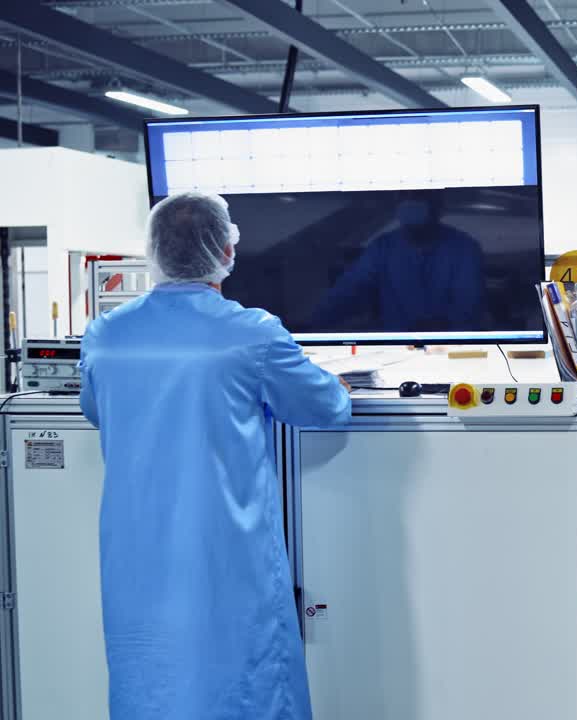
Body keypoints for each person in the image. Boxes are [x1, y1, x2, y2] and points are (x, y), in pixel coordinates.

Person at [79, 191, 352, 719]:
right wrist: (338, 381)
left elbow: (97, 411)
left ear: (153, 251)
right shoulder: (250, 334)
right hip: (226, 552)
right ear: (226, 252)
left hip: (135, 553)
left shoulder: (105, 335)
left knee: (148, 677)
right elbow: (324, 407)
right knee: (244, 677)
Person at [308, 195, 484, 332]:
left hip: (452, 345)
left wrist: (440, 326)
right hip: (394, 346)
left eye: (418, 197)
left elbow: (468, 303)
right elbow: (349, 290)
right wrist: (311, 325)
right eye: (405, 197)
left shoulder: (464, 248)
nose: (411, 202)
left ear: (437, 206)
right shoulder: (383, 247)